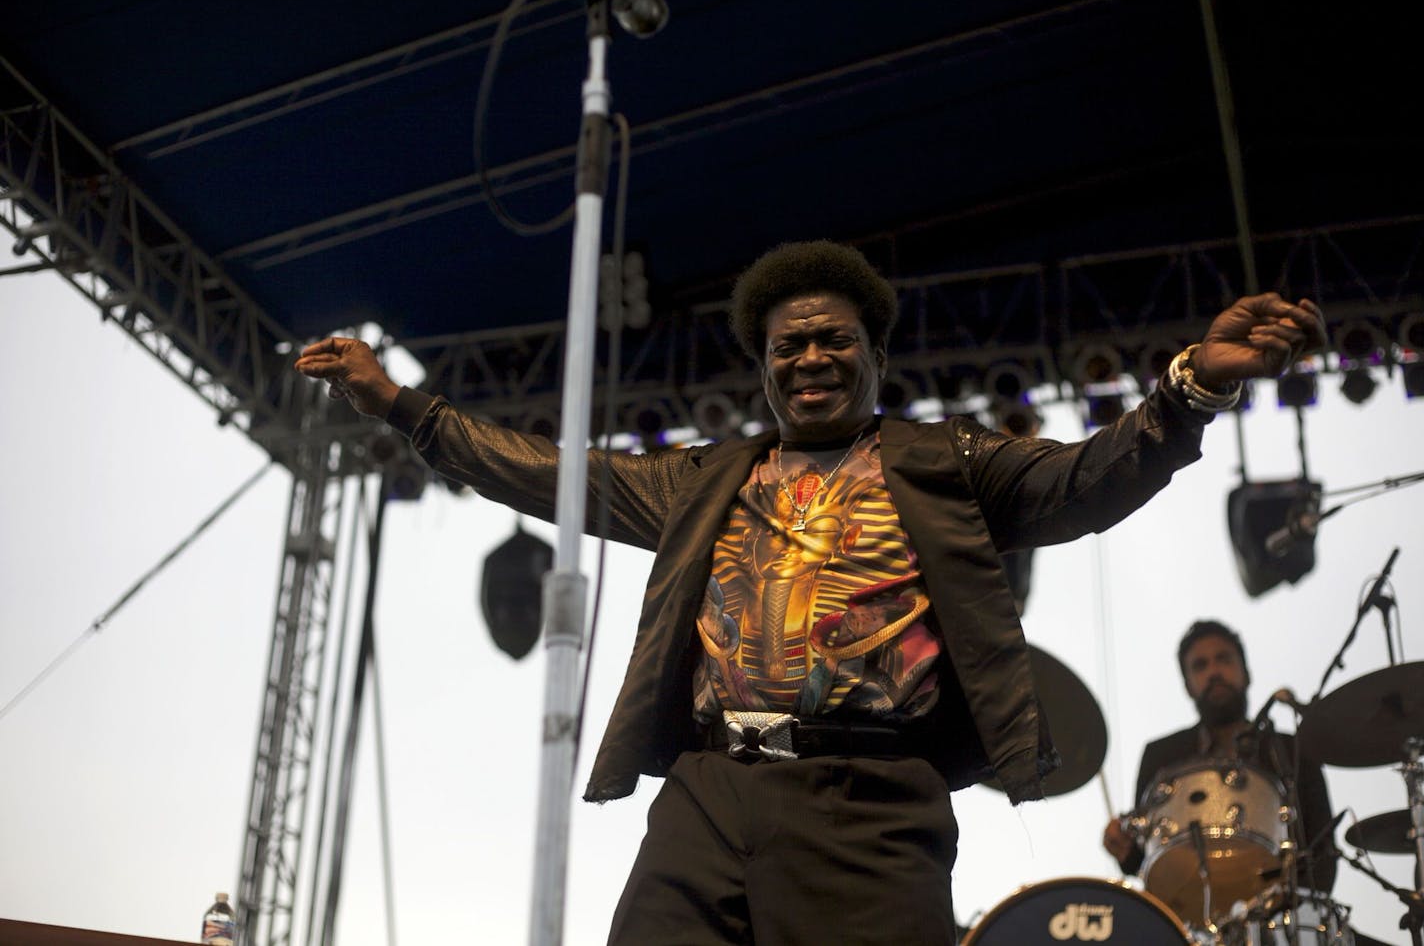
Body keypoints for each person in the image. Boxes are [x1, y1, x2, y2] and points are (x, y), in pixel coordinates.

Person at [295, 241, 1323, 944]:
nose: (810, 357)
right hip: (709, 791)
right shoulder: (705, 479)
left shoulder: (942, 461)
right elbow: (550, 474)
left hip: (868, 803)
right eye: (787, 346)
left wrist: (1191, 389)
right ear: (765, 372)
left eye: (832, 339)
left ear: (874, 357)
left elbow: (1087, 480)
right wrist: (401, 405)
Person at [1101, 620, 1338, 911]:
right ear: (1188, 685)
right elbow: (1145, 857)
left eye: (1223, 659)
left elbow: (1323, 862)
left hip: (1281, 923)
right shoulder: (1160, 756)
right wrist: (1123, 849)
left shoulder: (1295, 751)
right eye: (1200, 666)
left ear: (1246, 673)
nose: (1214, 672)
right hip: (1189, 922)